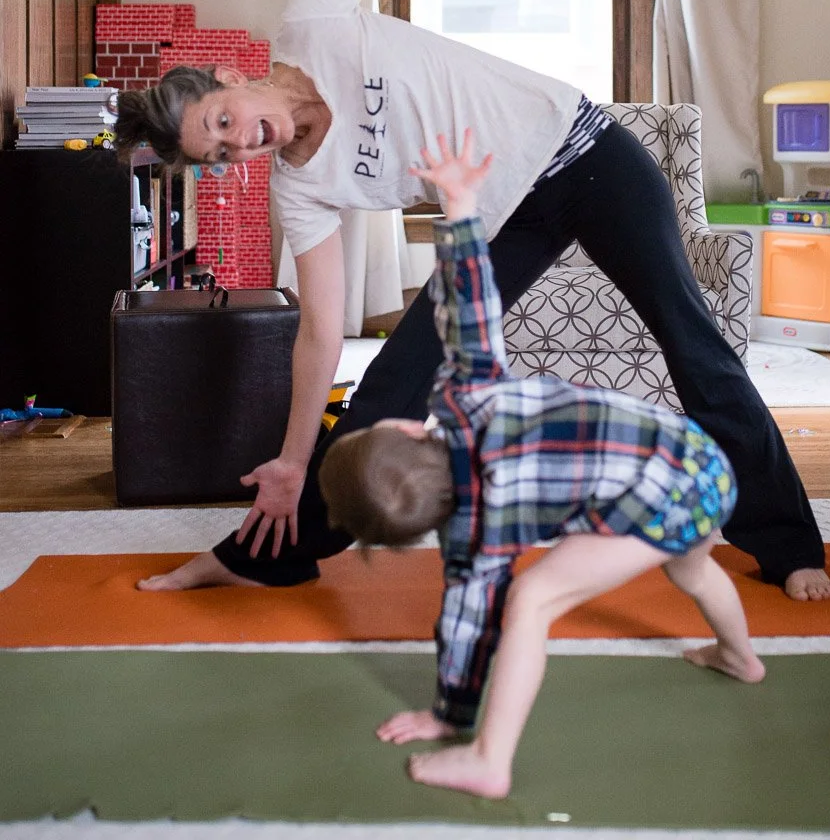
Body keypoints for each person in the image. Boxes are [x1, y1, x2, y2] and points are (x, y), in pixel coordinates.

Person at [117, 0, 830, 602]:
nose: (239, 143)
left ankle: (787, 544)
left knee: (692, 343)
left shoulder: (315, 21)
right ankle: (269, 552)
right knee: (394, 378)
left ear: (229, 79)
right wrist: (293, 457)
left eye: (222, 122)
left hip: (590, 155)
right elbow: (322, 333)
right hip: (501, 217)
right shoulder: (300, 184)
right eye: (219, 155)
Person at [319, 130, 767, 800]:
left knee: (528, 601)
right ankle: (740, 656)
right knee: (692, 565)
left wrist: (450, 711)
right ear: (414, 427)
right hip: (699, 456)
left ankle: (489, 760)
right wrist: (461, 208)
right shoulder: (468, 397)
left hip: (663, 488)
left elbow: (469, 623)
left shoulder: (474, 540)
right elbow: (469, 311)